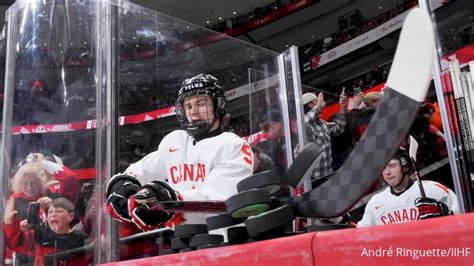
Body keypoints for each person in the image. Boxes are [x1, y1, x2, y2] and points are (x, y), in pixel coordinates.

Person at [105, 73, 254, 233]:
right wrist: (123, 185)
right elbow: (141, 170)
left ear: (218, 105)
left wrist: (171, 202)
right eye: (188, 106)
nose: (194, 112)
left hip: (224, 241)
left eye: (201, 104)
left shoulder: (234, 146)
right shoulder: (175, 141)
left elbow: (217, 200)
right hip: (183, 241)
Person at [358, 149, 459, 227]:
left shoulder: (432, 190)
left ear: (405, 166)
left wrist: (446, 214)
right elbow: (362, 234)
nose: (387, 172)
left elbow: (462, 218)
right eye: (383, 167)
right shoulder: (375, 202)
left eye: (392, 165)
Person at [3, 197, 87, 265]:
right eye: (50, 212)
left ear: (70, 216)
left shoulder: (80, 240)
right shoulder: (38, 234)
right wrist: (9, 223)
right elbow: (15, 243)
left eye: (59, 211)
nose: (53, 214)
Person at [302, 91, 347, 179]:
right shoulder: (303, 123)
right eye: (317, 100)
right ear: (311, 104)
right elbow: (304, 122)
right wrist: (318, 106)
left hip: (327, 174)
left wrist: (342, 106)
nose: (322, 102)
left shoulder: (322, 123)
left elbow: (339, 128)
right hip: (313, 180)